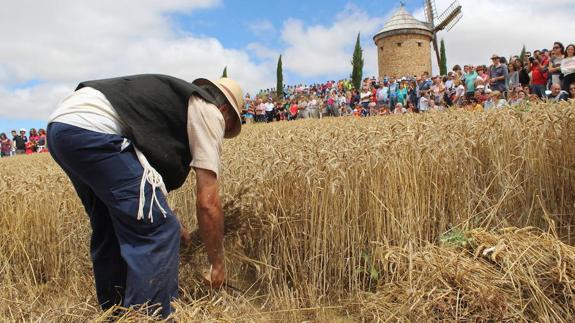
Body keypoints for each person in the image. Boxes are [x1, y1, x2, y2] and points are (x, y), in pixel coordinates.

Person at [46, 74, 244, 318]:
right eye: (227, 126)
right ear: (224, 110)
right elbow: (208, 202)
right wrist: (217, 264)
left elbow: (140, 179)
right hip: (97, 131)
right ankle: (147, 317)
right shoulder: (208, 109)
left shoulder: (170, 106)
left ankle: (114, 314)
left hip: (62, 129)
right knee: (158, 232)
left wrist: (166, 213)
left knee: (110, 229)